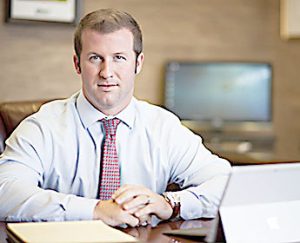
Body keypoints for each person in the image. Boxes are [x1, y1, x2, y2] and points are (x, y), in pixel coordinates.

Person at [0, 8, 231, 227]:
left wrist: (171, 204)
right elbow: (4, 190)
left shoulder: (163, 127)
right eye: (95, 58)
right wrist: (95, 210)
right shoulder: (43, 126)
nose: (106, 72)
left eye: (119, 57)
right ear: (77, 64)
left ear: (137, 63)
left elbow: (228, 185)